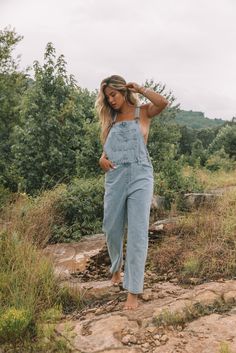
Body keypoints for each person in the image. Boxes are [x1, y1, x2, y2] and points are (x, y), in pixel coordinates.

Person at [95, 75, 168, 310]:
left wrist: (141, 88)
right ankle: (116, 266)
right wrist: (102, 160)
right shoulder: (111, 120)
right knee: (111, 226)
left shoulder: (143, 112)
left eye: (113, 94)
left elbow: (163, 102)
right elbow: (106, 153)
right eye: (107, 97)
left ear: (123, 91)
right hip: (115, 177)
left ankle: (133, 290)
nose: (111, 100)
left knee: (137, 233)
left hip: (140, 176)